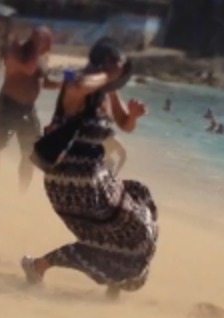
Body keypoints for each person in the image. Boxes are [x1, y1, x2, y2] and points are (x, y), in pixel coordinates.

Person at [21, 37, 158, 300]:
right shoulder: (79, 82)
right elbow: (76, 85)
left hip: (96, 177)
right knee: (124, 232)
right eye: (117, 65)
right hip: (71, 179)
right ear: (106, 62)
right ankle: (38, 265)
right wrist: (107, 74)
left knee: (139, 199)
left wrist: (133, 116)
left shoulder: (109, 90)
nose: (121, 72)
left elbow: (124, 125)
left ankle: (111, 285)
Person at [0, 27, 61, 192]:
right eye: (40, 39)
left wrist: (62, 85)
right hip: (9, 105)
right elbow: (28, 69)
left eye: (46, 40)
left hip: (27, 109)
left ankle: (22, 192)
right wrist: (35, 47)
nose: (45, 44)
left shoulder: (42, 58)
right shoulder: (18, 51)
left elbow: (41, 80)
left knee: (30, 153)